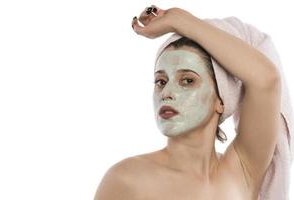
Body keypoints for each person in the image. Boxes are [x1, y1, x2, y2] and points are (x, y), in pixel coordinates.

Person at [94, 5, 282, 200]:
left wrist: (179, 20)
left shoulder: (242, 171)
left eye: (187, 81)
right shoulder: (127, 180)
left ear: (221, 100)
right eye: (161, 82)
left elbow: (266, 79)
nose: (166, 93)